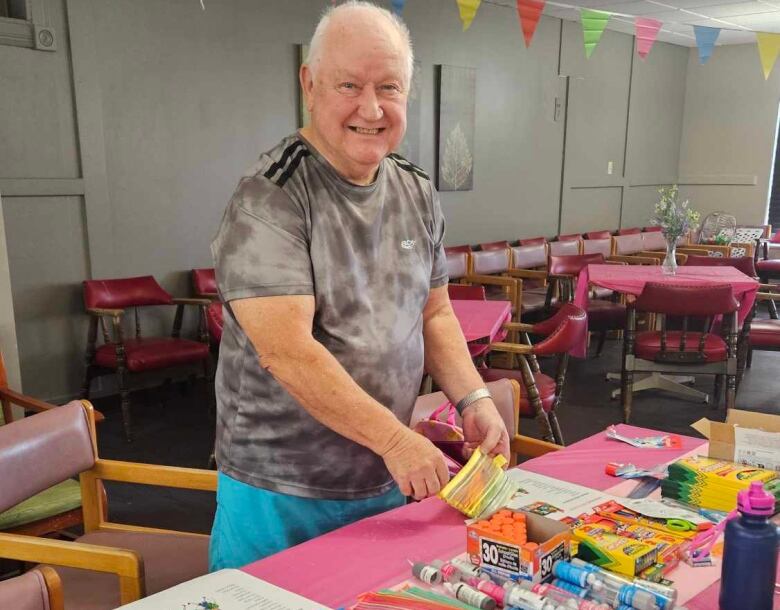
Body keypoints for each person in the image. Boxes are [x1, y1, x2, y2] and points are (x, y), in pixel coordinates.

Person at [209, 1, 509, 571]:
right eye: (349, 84)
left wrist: (471, 398)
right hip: (282, 488)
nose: (370, 108)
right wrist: (396, 440)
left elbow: (436, 316)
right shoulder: (269, 198)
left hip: (383, 474)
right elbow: (288, 353)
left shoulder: (417, 191)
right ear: (310, 84)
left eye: (389, 87)